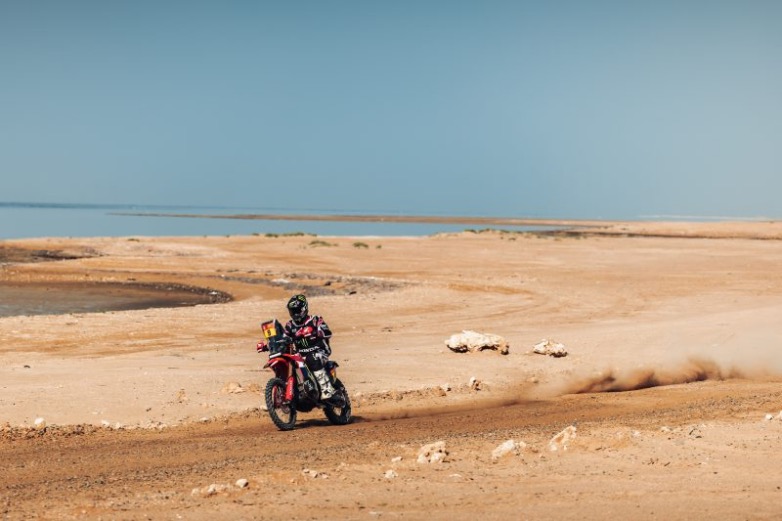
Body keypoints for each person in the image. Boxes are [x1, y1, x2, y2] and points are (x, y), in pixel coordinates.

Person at [261, 294, 336, 400]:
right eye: (292, 311)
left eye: (297, 310)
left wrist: (314, 331)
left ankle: (327, 390)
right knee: (288, 361)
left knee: (312, 358)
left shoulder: (315, 320)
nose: (295, 314)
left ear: (304, 308)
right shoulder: (290, 326)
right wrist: (267, 345)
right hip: (300, 355)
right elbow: (283, 339)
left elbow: (327, 333)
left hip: (319, 350)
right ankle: (294, 393)